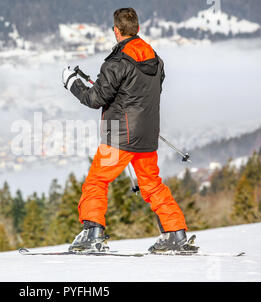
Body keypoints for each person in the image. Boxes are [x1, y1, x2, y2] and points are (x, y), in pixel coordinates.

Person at [62, 7, 198, 253]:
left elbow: (94, 99)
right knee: (152, 184)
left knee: (97, 181)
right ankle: (175, 233)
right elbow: (146, 91)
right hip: (146, 135)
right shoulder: (155, 59)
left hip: (120, 138)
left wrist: (72, 83)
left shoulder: (116, 62)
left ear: (116, 30)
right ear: (138, 29)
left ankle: (92, 232)